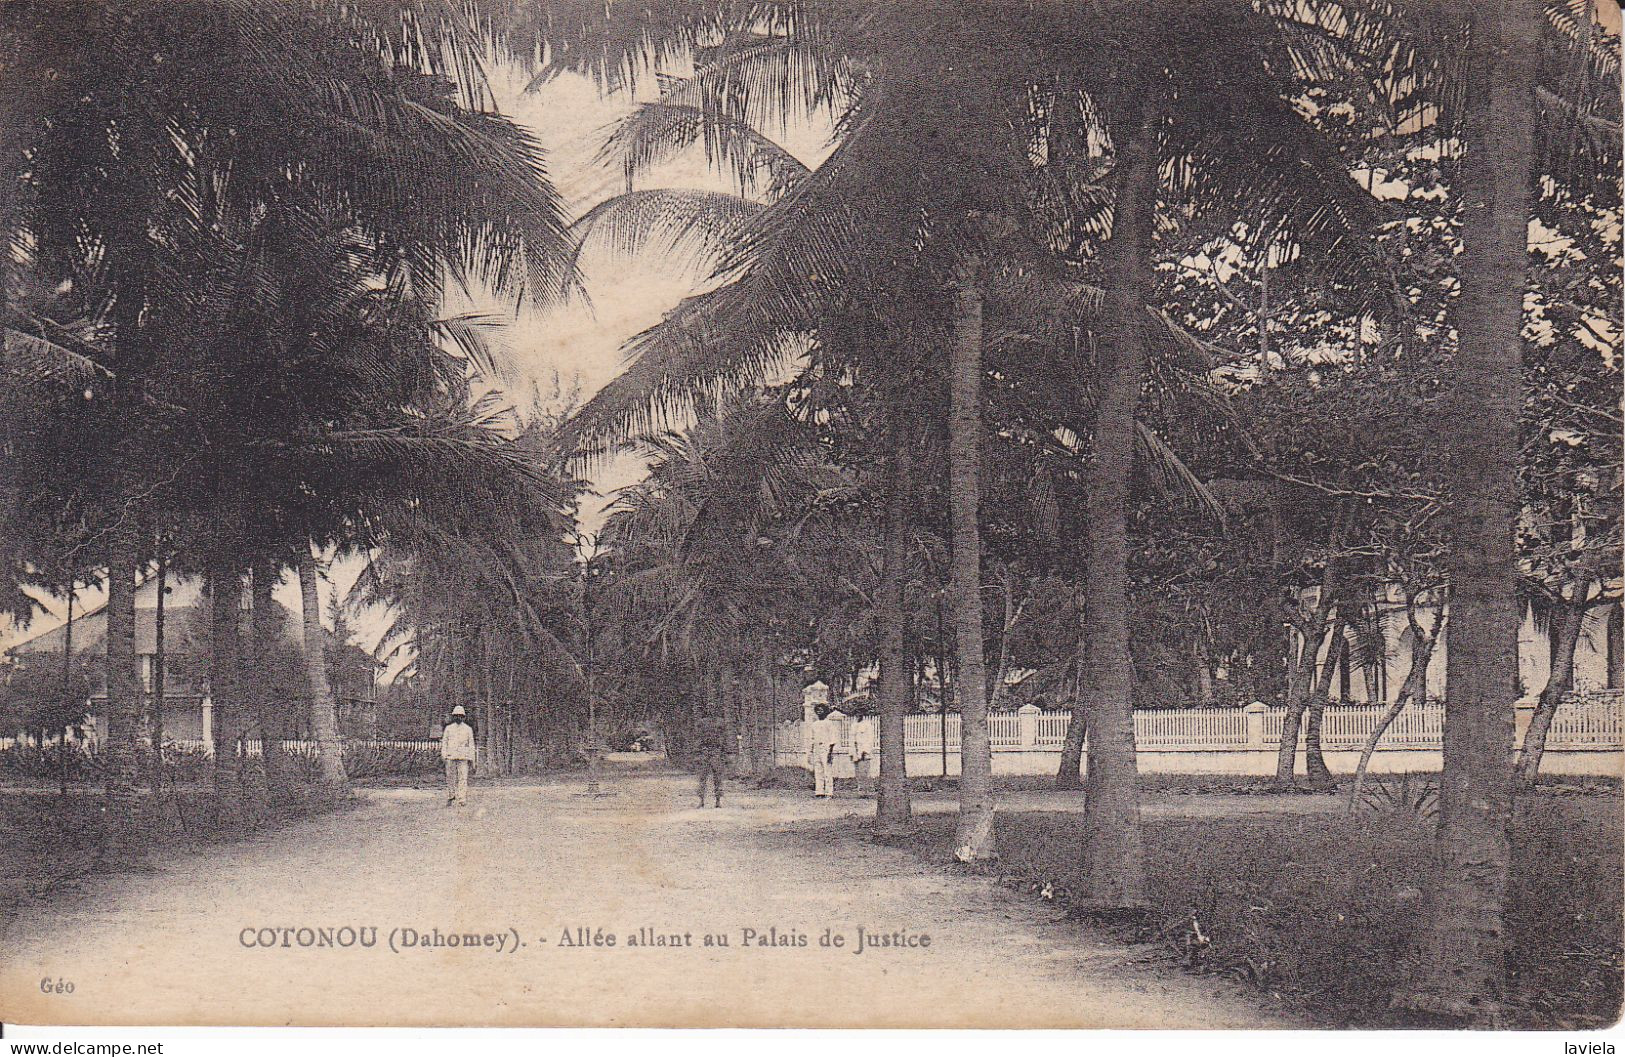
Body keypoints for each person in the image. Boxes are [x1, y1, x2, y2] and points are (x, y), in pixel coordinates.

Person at [440, 705, 476, 806]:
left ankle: (462, 798)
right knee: (450, 777)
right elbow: (444, 743)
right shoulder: (448, 728)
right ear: (453, 717)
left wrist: (472, 759)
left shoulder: (468, 729)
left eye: (460, 716)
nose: (458, 718)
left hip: (463, 757)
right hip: (451, 756)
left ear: (463, 717)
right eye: (456, 716)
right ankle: (451, 795)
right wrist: (444, 755)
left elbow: (471, 744)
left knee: (463, 778)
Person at [694, 712, 729, 808]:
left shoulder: (720, 722)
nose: (711, 709)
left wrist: (724, 753)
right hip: (704, 752)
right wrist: (698, 752)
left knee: (718, 777)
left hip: (716, 751)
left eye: (713, 707)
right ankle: (701, 801)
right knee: (702, 777)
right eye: (709, 707)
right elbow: (697, 737)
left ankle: (718, 801)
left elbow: (724, 738)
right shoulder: (701, 722)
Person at [808, 704, 840, 798]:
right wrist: (811, 751)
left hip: (826, 748)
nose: (819, 712)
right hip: (817, 748)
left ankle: (829, 792)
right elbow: (812, 739)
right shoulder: (814, 724)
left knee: (827, 771)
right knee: (818, 770)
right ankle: (819, 792)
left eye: (821, 710)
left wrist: (830, 752)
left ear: (825, 711)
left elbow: (833, 739)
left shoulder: (829, 723)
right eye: (817, 710)